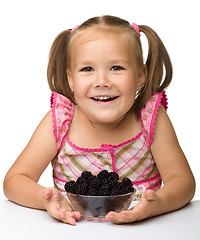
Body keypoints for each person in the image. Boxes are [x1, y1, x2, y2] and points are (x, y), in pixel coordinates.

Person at [3, 15, 195, 225]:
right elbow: (14, 181)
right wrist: (45, 199)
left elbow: (183, 182)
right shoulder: (61, 121)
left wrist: (157, 204)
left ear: (141, 76)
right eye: (87, 69)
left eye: (116, 68)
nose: (102, 81)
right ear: (71, 79)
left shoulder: (150, 119)